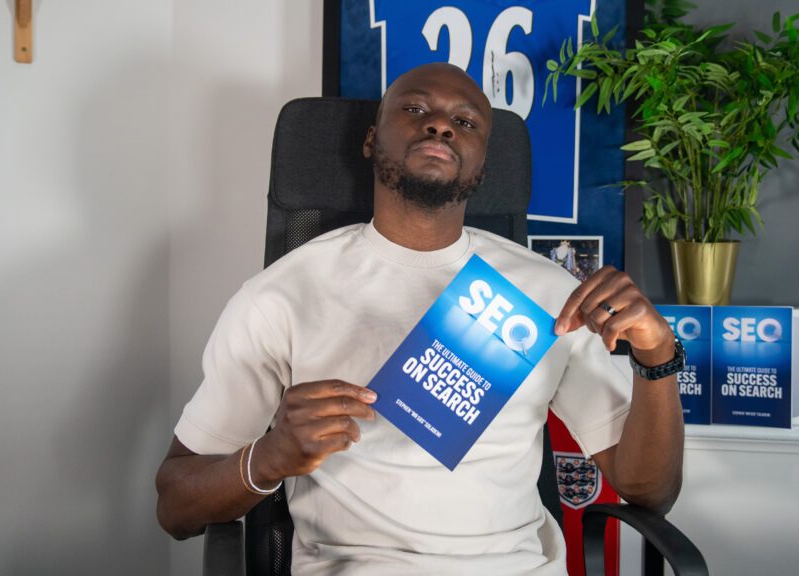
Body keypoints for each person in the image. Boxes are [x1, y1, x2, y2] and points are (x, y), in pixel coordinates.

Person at [156, 62, 684, 575]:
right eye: (414, 109)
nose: (440, 125)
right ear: (371, 140)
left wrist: (656, 357)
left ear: (483, 163)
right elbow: (176, 507)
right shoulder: (279, 297)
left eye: (466, 121)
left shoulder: (550, 296)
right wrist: (269, 457)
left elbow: (648, 491)